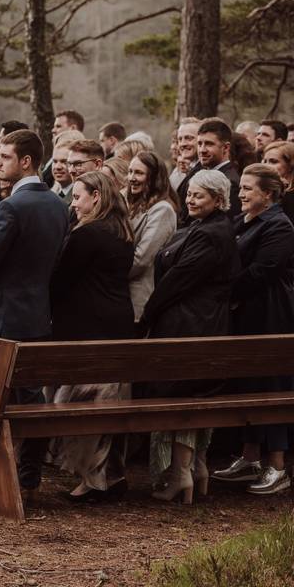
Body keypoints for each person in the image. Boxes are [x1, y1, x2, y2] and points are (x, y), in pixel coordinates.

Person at [0, 129, 70, 493]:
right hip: (36, 315)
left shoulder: (12, 205)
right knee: (31, 398)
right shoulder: (59, 206)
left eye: (7, 157)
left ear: (26, 161)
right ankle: (28, 473)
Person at [140, 169, 239, 504]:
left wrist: (147, 316)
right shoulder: (206, 227)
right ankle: (195, 469)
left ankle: (182, 473)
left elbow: (177, 280)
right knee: (189, 391)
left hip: (191, 324)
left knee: (182, 392)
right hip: (195, 321)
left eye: (200, 195)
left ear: (218, 199)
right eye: (191, 194)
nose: (191, 200)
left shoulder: (212, 233)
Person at [51, 171, 135, 501]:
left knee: (80, 401)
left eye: (77, 197)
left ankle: (93, 479)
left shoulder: (88, 235)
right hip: (117, 320)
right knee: (108, 399)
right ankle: (110, 473)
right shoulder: (122, 232)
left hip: (87, 323)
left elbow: (60, 280)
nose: (73, 204)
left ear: (96, 197)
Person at [212, 163, 294, 495]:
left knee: (271, 386)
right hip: (245, 314)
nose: (240, 193)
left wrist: (225, 289)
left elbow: (263, 270)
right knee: (249, 384)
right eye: (240, 187)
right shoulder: (241, 221)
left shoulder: (279, 226)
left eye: (247, 188)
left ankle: (277, 466)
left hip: (271, 315)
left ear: (269, 194)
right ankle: (249, 459)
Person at [126, 151, 178, 322]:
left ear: (154, 177)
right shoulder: (135, 204)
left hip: (139, 298)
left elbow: (141, 259)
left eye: (139, 173)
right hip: (122, 296)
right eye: (130, 171)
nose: (132, 178)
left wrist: (109, 276)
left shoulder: (162, 210)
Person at [176, 118, 240, 227]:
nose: (202, 150)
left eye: (209, 144)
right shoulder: (202, 173)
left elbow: (223, 227)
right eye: (200, 144)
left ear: (225, 147)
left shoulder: (230, 182)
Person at [171, 117, 201, 191]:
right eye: (180, 139)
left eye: (189, 138)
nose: (183, 144)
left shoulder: (206, 171)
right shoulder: (181, 170)